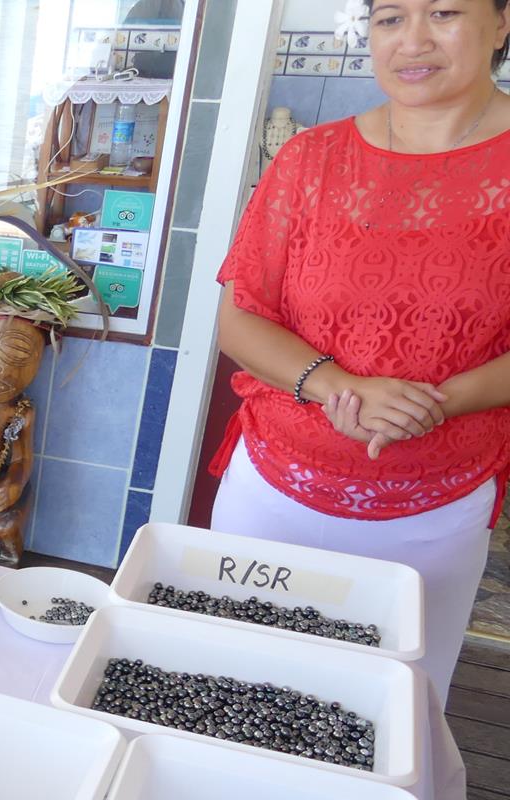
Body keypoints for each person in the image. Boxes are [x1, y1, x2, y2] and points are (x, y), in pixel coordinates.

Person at [211, 0, 510, 699]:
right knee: (234, 688)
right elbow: (240, 321)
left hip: (431, 512)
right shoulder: (310, 159)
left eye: (442, 12)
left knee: (387, 708)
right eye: (389, 18)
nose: (413, 41)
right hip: (272, 493)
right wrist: (338, 387)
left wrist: (430, 405)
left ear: (502, 20)